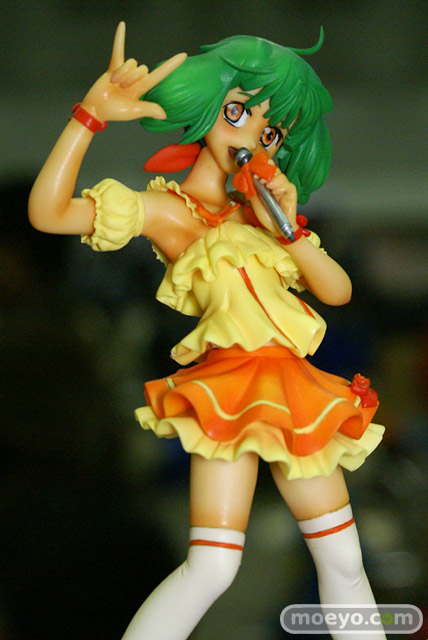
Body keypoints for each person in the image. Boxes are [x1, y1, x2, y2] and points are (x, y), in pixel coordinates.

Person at [29, 22, 386, 640]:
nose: (249, 135)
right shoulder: (170, 212)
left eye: (270, 132)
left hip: (296, 392)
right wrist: (89, 117)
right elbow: (49, 213)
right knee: (213, 565)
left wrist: (287, 225)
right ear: (207, 106)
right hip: (229, 392)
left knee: (344, 560)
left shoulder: (265, 217)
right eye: (238, 112)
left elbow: (337, 291)